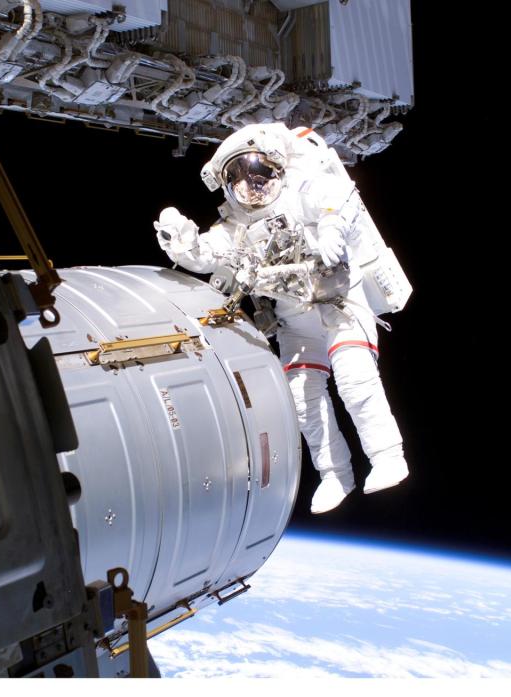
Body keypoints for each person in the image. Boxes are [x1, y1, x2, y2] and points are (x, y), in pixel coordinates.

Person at [153, 122, 412, 514]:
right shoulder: (235, 227)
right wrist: (184, 243)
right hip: (294, 321)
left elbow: (336, 199)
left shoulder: (302, 192)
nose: (252, 186)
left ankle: (387, 456)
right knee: (303, 400)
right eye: (240, 179)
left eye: (259, 174)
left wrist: (331, 229)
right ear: (229, 187)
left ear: (276, 170)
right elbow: (205, 257)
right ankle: (334, 474)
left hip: (339, 302)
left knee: (354, 380)